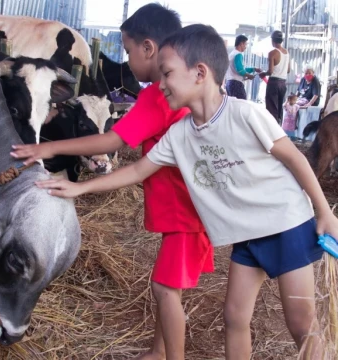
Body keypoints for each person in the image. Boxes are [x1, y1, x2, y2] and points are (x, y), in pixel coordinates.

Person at [34, 24, 337, 360]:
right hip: (247, 237)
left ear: (199, 73)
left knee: (301, 325)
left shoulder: (246, 114)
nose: (159, 83)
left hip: (287, 224)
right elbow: (137, 169)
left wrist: (324, 212)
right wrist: (79, 187)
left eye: (167, 74)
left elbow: (294, 157)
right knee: (234, 318)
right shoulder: (180, 134)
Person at [11, 4, 214, 360]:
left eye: (127, 50)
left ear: (148, 48)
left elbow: (114, 141)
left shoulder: (157, 95)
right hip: (186, 211)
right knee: (168, 289)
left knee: (165, 290)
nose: (127, 59)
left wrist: (48, 146)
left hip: (184, 215)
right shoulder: (173, 92)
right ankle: (157, 352)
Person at [259, 30, 290, 124]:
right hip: (283, 83)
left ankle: (272, 131)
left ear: (273, 40)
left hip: (274, 83)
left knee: (272, 108)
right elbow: (288, 70)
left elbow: (270, 71)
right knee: (279, 108)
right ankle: (279, 128)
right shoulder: (286, 52)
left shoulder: (272, 53)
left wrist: (263, 73)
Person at [224, 35, 261, 100]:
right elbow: (240, 70)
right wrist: (249, 75)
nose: (245, 47)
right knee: (242, 104)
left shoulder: (232, 54)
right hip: (236, 84)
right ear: (241, 44)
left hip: (229, 83)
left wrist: (253, 69)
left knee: (233, 106)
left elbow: (240, 69)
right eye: (245, 44)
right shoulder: (238, 54)